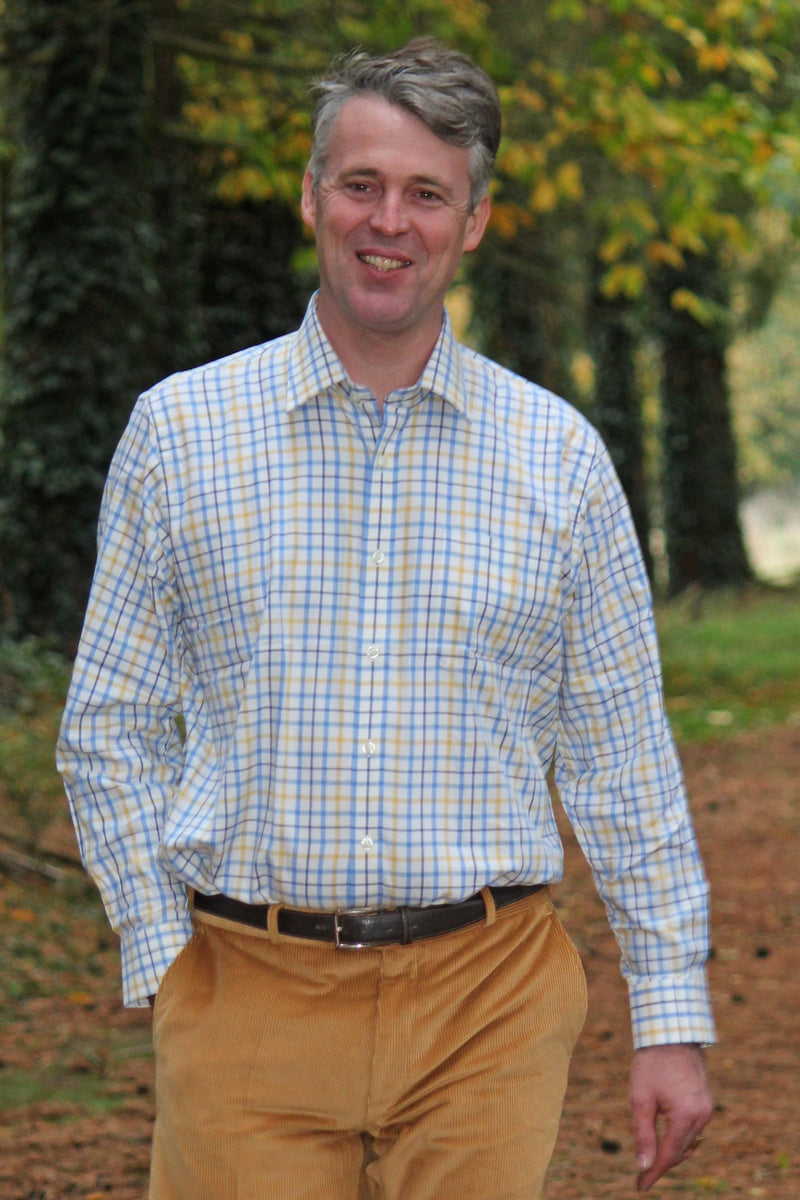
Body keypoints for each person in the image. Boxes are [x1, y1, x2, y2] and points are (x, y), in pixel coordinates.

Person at [58, 38, 715, 1200]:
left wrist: (669, 1016)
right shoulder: (180, 434)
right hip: (246, 993)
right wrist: (167, 956)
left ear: (471, 221)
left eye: (426, 193)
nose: (388, 221)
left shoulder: (555, 459)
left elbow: (622, 758)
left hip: (489, 1004)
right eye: (361, 184)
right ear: (313, 194)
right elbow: (107, 723)